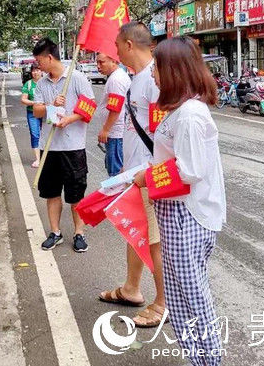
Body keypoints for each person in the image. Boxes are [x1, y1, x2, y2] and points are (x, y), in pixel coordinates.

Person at [133, 37, 226, 365]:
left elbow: (189, 171)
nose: (153, 74)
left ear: (172, 70)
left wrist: (147, 177)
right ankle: (196, 358)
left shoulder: (189, 115)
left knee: (193, 297)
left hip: (189, 215)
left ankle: (209, 360)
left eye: (157, 67)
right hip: (175, 211)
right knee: (177, 294)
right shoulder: (180, 110)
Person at [98, 22, 166, 329]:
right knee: (135, 232)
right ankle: (131, 288)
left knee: (155, 240)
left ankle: (164, 302)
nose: (112, 50)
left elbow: (163, 132)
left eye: (115, 44)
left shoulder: (155, 79)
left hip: (150, 175)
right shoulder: (136, 78)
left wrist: (151, 172)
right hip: (135, 172)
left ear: (128, 45)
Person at [32, 38, 94, 253]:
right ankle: (55, 232)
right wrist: (51, 106)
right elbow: (37, 111)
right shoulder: (41, 84)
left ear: (50, 57)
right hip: (49, 147)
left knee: (76, 194)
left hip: (73, 147)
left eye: (39, 60)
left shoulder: (76, 79)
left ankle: (79, 233)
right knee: (51, 193)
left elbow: (89, 109)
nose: (37, 65)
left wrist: (70, 118)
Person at [96, 53, 131, 176]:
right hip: (116, 132)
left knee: (116, 174)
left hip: (116, 134)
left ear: (114, 61)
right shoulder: (115, 77)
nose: (98, 66)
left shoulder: (116, 80)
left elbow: (115, 108)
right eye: (97, 62)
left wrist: (106, 129)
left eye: (102, 62)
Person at [21, 64, 43, 168]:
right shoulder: (28, 84)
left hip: (46, 112)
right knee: (35, 134)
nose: (35, 72)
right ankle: (38, 159)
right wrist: (34, 103)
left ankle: (47, 157)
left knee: (48, 135)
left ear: (41, 71)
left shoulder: (46, 82)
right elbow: (23, 99)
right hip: (32, 113)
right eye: (34, 71)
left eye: (38, 70)